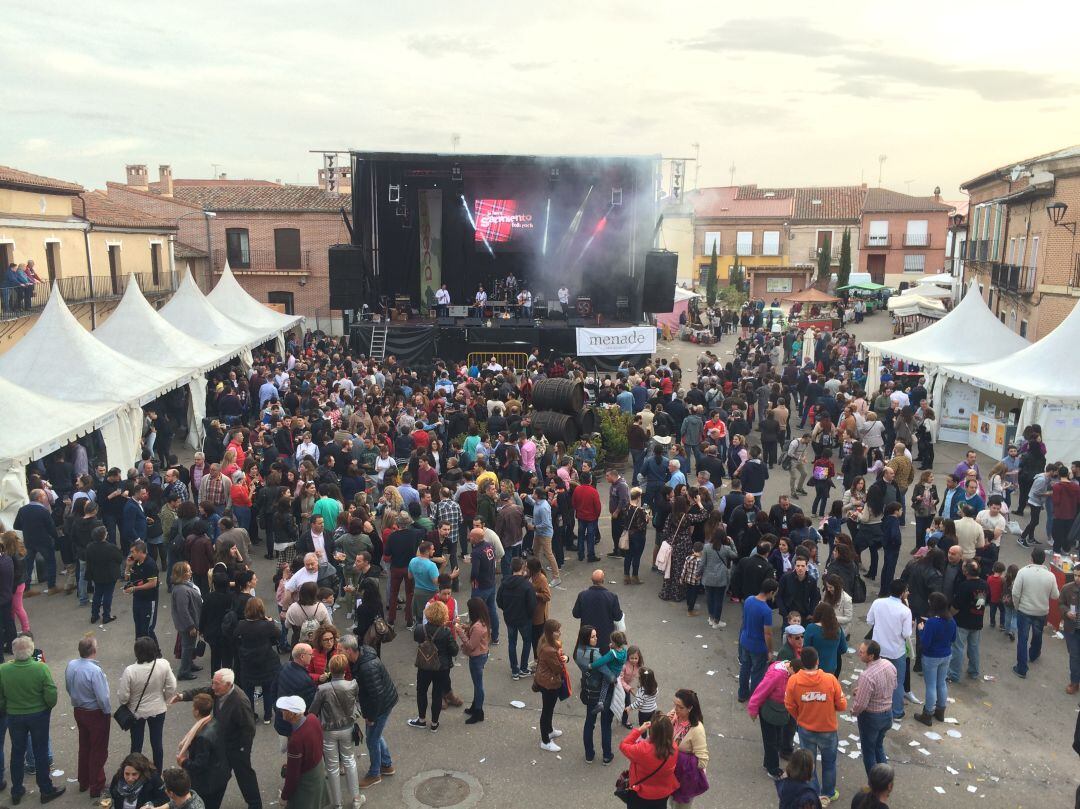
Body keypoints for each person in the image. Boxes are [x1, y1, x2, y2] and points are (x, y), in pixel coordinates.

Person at [172, 668, 262, 809]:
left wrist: (242, 749)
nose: (213, 687)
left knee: (244, 775)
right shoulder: (220, 690)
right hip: (222, 743)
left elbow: (248, 728)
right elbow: (203, 691)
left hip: (236, 747)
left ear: (228, 684)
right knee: (219, 773)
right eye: (213, 683)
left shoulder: (240, 702)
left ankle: (255, 804)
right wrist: (183, 696)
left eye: (216, 684)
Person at [0, 634, 65, 803]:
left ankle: (16, 790)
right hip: (38, 715)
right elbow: (51, 693)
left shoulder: (3, 670)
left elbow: (1, 698)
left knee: (17, 752)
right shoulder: (40, 668)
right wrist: (47, 707)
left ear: (13, 652)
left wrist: (7, 708)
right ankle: (45, 789)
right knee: (40, 751)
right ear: (30, 651)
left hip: (14, 716)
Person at [784, 647, 846, 805]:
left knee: (808, 765)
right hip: (828, 729)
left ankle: (814, 794)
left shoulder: (794, 681)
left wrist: (800, 717)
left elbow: (789, 705)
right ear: (817, 661)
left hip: (806, 729)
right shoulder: (830, 679)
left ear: (802, 662)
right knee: (829, 763)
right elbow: (842, 705)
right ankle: (829, 793)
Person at [339, 634, 398, 790]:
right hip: (383, 702)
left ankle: (374, 774)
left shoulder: (366, 668)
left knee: (372, 739)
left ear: (350, 651)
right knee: (376, 736)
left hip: (380, 706)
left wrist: (371, 717)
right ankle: (387, 765)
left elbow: (376, 696)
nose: (338, 653)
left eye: (340, 650)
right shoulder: (362, 657)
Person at [309, 653, 363, 808]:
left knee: (332, 767)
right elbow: (357, 703)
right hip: (348, 727)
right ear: (345, 669)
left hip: (328, 730)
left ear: (330, 669)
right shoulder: (353, 684)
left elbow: (313, 710)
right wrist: (355, 714)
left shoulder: (322, 689)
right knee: (350, 761)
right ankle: (356, 799)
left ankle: (337, 803)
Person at [117, 636, 176, 772]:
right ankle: (158, 772)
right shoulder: (163, 664)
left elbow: (123, 696)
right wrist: (164, 699)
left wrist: (127, 703)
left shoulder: (130, 670)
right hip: (158, 709)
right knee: (157, 743)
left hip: (136, 713)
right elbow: (171, 687)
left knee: (136, 744)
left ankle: (134, 771)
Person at [65, 633, 112, 797]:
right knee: (98, 749)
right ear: (93, 650)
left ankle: (83, 781)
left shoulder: (71, 665)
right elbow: (103, 698)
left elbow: (68, 687)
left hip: (79, 710)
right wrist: (107, 713)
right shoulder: (95, 671)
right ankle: (97, 785)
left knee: (84, 746)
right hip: (95, 713)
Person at [408, 600, 458, 731]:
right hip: (442, 668)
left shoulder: (420, 629)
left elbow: (417, 639)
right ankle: (434, 724)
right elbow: (454, 650)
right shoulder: (446, 632)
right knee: (437, 694)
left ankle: (422, 720)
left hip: (424, 666)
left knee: (421, 692)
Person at [848, 640, 897, 775]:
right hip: (887, 715)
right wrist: (863, 689)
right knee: (878, 747)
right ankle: (885, 778)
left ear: (871, 656)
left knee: (869, 752)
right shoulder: (889, 665)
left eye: (862, 652)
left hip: (871, 719)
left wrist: (854, 711)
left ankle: (875, 784)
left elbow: (861, 704)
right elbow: (893, 685)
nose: (859, 653)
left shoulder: (867, 675)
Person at [865, 580, 912, 720]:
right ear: (903, 593)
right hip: (896, 651)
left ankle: (874, 707)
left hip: (878, 649)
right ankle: (897, 711)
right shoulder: (905, 611)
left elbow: (869, 621)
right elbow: (906, 634)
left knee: (874, 678)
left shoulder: (878, 603)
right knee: (897, 682)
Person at [1012, 547, 1060, 679]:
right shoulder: (1050, 576)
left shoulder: (1023, 572)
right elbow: (1055, 595)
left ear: (1031, 558)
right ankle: (1033, 654)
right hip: (1041, 611)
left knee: (1022, 638)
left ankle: (1021, 668)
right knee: (1037, 635)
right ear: (1044, 560)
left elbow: (1015, 593)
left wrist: (1017, 606)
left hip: (1024, 610)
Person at [747, 657, 798, 780]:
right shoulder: (776, 676)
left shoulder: (790, 672)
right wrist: (753, 710)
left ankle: (768, 763)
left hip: (779, 711)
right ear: (790, 668)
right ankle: (773, 769)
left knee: (776, 738)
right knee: (771, 741)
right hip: (769, 712)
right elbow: (760, 692)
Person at [276, 694, 331, 808]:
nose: (281, 711)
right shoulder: (312, 718)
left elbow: (293, 775)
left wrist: (284, 797)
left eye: (284, 710)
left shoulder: (295, 740)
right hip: (318, 770)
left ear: (292, 714)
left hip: (307, 781)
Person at [177, 692, 230, 809]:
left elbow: (199, 765)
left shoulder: (202, 737)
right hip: (221, 776)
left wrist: (183, 761)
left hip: (208, 784)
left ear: (196, 711)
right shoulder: (214, 722)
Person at [235, 598, 282, 724]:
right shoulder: (267, 625)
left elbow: (236, 638)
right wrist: (271, 622)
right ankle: (267, 715)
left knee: (248, 691)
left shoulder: (241, 625)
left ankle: (251, 715)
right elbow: (278, 634)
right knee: (267, 688)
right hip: (266, 661)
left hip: (247, 662)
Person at [617, 713, 679, 809]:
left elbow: (623, 745)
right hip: (662, 794)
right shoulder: (674, 747)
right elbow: (664, 734)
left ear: (651, 731)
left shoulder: (643, 750)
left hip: (641, 795)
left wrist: (639, 730)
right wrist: (665, 724)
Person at [738, 578, 778, 702]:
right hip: (758, 646)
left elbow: (744, 619)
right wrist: (770, 651)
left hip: (745, 640)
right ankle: (755, 698)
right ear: (771, 592)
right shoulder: (766, 611)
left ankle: (742, 694)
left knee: (745, 668)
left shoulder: (749, 600)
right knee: (757, 673)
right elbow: (768, 633)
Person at [497, 556, 537, 678]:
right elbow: (532, 605)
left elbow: (499, 601)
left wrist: (507, 610)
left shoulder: (504, 584)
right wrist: (529, 616)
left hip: (509, 618)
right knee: (526, 642)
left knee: (512, 643)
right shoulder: (527, 586)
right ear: (523, 568)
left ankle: (515, 670)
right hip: (524, 619)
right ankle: (523, 668)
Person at [668, 688, 709, 808]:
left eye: (680, 707)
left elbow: (703, 760)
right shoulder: (674, 715)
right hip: (670, 774)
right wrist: (666, 722)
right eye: (675, 705)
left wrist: (680, 759)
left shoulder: (697, 729)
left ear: (690, 708)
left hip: (685, 779)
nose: (676, 709)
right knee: (671, 803)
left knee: (681, 806)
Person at [948, 560, 987, 682]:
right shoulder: (984, 585)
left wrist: (949, 616)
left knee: (958, 648)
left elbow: (956, 605)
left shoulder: (965, 586)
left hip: (962, 622)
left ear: (966, 572)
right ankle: (974, 671)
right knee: (974, 648)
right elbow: (986, 601)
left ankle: (954, 674)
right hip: (977, 621)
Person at [455, 596, 491, 723]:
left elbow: (470, 645)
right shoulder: (482, 621)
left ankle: (478, 712)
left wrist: (460, 632)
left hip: (477, 657)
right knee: (477, 684)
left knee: (478, 685)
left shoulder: (477, 627)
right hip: (482, 655)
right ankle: (475, 707)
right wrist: (466, 627)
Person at [534, 618, 567, 752]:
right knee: (547, 711)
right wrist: (565, 659)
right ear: (550, 632)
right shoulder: (549, 650)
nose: (559, 633)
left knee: (549, 708)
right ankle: (545, 741)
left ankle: (549, 730)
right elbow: (558, 668)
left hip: (543, 680)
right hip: (549, 683)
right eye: (556, 631)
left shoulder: (543, 640)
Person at [572, 568, 624, 652]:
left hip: (587, 636)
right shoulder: (611, 596)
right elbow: (618, 617)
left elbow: (576, 614)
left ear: (591, 580)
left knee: (587, 658)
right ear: (603, 580)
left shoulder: (582, 595)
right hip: (605, 638)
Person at [171, 562, 204, 681]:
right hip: (188, 624)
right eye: (188, 571)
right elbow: (183, 610)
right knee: (187, 647)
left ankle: (189, 664)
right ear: (182, 574)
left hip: (191, 621)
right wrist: (191, 626)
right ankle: (184, 671)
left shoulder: (184, 586)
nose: (191, 572)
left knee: (189, 645)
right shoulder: (181, 590)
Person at [124, 540, 160, 641]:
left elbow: (153, 583)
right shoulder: (135, 563)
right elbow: (127, 578)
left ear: (140, 552)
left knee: (147, 629)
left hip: (148, 601)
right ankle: (141, 652)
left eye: (133, 552)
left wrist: (135, 588)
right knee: (138, 627)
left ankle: (156, 653)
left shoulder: (150, 564)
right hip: (137, 599)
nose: (131, 554)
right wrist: (128, 566)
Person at [1060, 566, 1080, 695]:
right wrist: (1067, 612)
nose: (1077, 578)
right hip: (1072, 629)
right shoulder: (1067, 588)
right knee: (1074, 656)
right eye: (1075, 575)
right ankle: (1074, 682)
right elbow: (1061, 603)